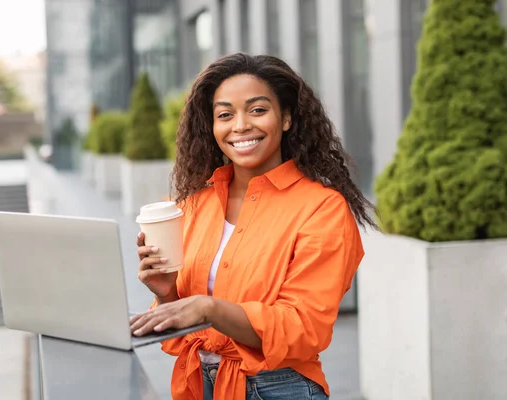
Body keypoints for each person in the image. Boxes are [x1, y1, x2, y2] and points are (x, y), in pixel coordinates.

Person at [129, 53, 376, 400]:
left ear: (286, 118)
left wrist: (209, 308)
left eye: (258, 110)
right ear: (212, 127)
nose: (240, 125)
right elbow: (187, 321)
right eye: (225, 115)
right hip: (202, 383)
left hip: (279, 387)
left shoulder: (321, 208)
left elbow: (303, 328)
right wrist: (165, 291)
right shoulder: (195, 204)